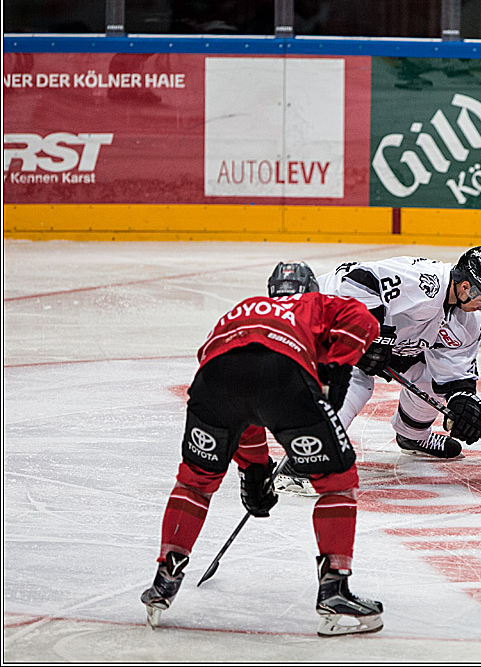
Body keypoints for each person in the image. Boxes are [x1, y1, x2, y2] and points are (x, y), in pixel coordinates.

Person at [140, 262, 386, 636]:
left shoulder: (241, 309)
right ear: (309, 288)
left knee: (195, 483)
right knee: (337, 483)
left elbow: (237, 392)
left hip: (213, 380)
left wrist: (253, 469)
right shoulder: (315, 304)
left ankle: (164, 577)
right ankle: (334, 588)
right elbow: (364, 320)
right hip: (282, 375)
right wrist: (338, 368)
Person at [274, 247, 481, 501]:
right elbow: (358, 279)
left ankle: (412, 436)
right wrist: (370, 332)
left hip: (393, 342)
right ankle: (300, 465)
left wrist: (463, 403)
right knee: (356, 382)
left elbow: (455, 374)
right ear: (466, 287)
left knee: (429, 377)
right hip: (332, 320)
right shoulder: (425, 282)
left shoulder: (468, 323)